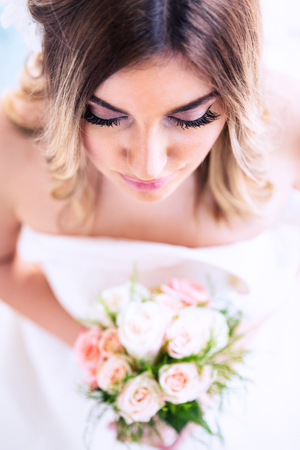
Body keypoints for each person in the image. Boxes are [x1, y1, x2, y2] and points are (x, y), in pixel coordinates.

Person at [0, 0, 299, 449]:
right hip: (53, 395)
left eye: (191, 117)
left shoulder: (289, 122)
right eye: (103, 114)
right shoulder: (13, 146)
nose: (147, 163)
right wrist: (111, 359)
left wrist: (217, 358)